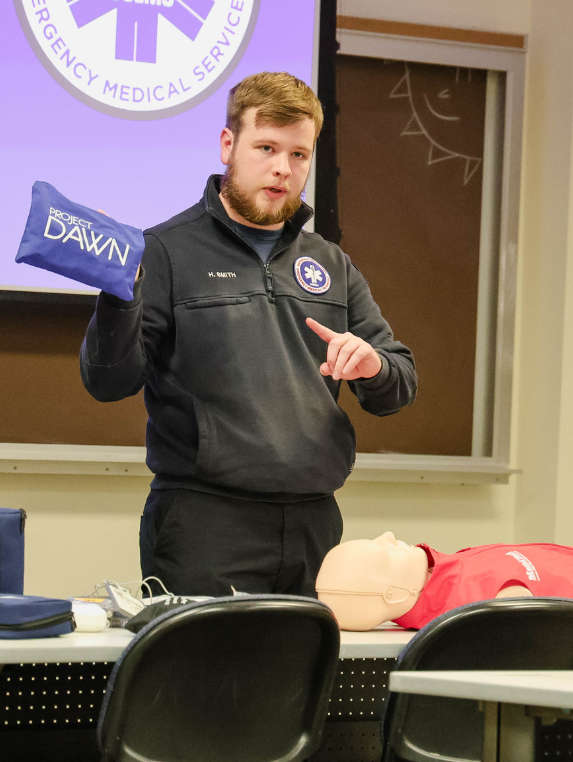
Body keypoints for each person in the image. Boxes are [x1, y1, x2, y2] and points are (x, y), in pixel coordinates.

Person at [80, 72, 417, 598]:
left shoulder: (330, 262)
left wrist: (372, 365)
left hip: (315, 524)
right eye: (266, 147)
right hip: (203, 525)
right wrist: (120, 291)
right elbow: (108, 381)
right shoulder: (165, 250)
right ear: (227, 145)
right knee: (203, 681)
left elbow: (399, 382)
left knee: (305, 681)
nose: (283, 168)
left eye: (299, 155)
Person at [315, 531, 573, 630]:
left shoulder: (446, 576)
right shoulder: (476, 603)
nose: (388, 536)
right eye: (382, 555)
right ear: (393, 595)